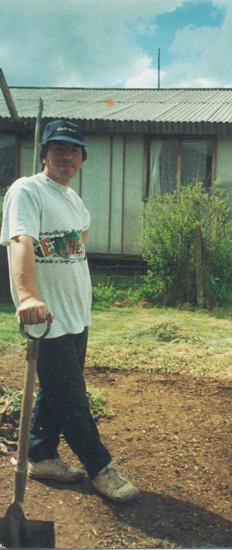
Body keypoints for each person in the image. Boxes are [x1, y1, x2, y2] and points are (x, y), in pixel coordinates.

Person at [0, 120, 139, 502]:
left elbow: (76, 248)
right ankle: (101, 468)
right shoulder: (27, 190)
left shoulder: (74, 201)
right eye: (58, 149)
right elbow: (20, 242)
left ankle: (41, 455)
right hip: (45, 321)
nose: (66, 156)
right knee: (74, 398)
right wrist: (27, 296)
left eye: (74, 150)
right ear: (44, 154)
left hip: (76, 316)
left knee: (57, 389)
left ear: (81, 159)